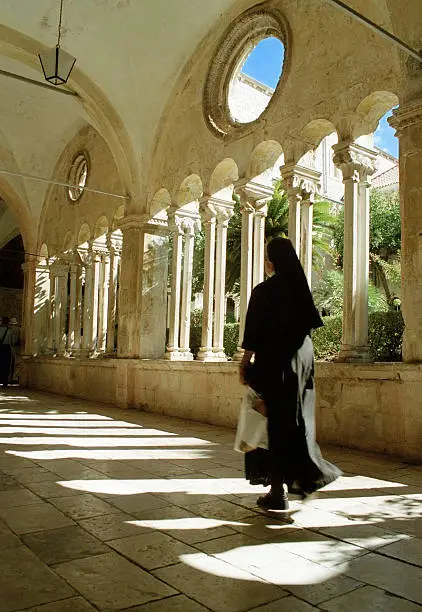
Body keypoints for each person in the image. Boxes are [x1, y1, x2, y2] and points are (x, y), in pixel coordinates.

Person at [239, 237, 341, 510]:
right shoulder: (300, 288)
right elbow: (308, 326)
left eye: (266, 257)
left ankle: (277, 491)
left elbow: (254, 333)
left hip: (275, 360)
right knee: (297, 420)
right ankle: (304, 476)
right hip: (301, 359)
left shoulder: (264, 290)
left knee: (273, 423)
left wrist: (245, 362)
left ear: (271, 261)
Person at [0, 316, 16, 388]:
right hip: (7, 348)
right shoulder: (10, 331)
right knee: (6, 365)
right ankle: (5, 382)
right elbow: (13, 341)